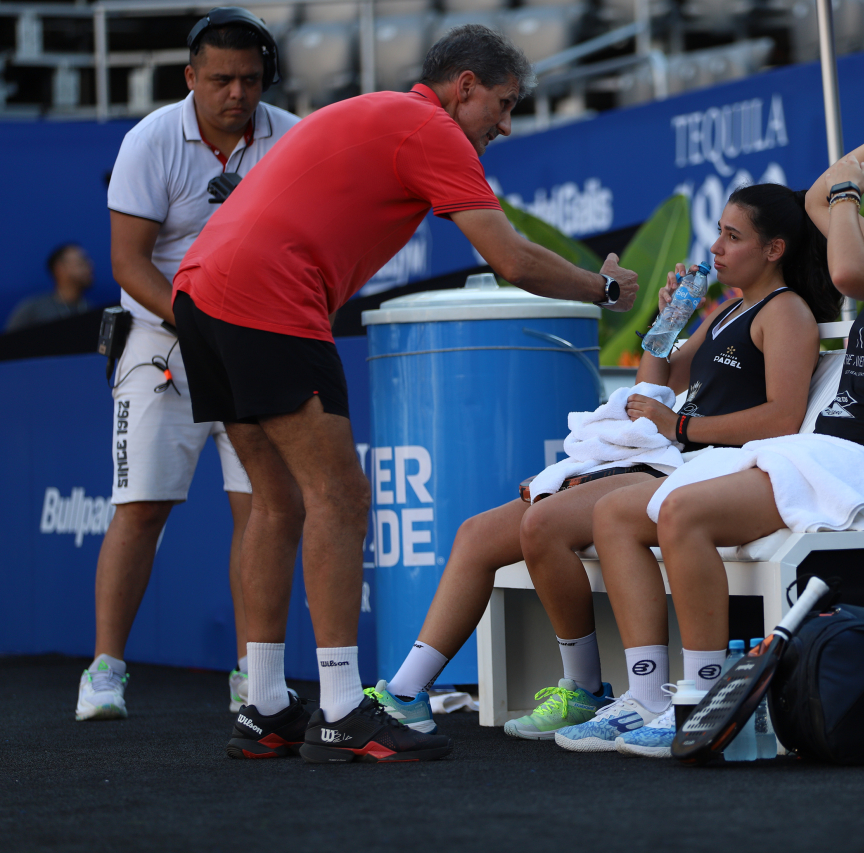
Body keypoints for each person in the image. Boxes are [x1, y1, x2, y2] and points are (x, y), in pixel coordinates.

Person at [171, 24, 639, 764]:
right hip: (266, 295)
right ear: (464, 86)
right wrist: (603, 286)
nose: (505, 125)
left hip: (200, 291)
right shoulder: (431, 128)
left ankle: (262, 705)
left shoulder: (381, 113)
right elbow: (512, 258)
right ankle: (341, 708)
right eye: (503, 104)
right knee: (341, 496)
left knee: (276, 499)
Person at [588, 112, 864, 757]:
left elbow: (843, 269)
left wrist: (849, 194)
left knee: (681, 514)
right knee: (618, 513)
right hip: (820, 454)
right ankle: (645, 694)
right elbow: (819, 197)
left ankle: (706, 701)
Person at [366, 182, 838, 749]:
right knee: (476, 534)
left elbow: (782, 418)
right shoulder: (731, 309)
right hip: (668, 459)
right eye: (717, 231)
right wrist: (672, 319)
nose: (715, 247)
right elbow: (659, 379)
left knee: (541, 523)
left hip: (700, 472)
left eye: (732, 237)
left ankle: (598, 689)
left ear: (774, 249)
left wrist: (681, 427)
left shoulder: (785, 313)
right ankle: (407, 694)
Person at [75, 8, 300, 724]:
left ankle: (253, 675)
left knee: (262, 510)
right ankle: (105, 669)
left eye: (252, 80)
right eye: (223, 80)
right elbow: (126, 263)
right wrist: (200, 322)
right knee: (139, 509)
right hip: (163, 342)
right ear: (191, 78)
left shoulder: (291, 138)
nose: (239, 94)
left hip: (255, 346)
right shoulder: (150, 140)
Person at [5, 243, 94, 333]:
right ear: (60, 269)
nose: (90, 266)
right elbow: (8, 344)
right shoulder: (32, 310)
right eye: (81, 262)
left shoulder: (89, 308)